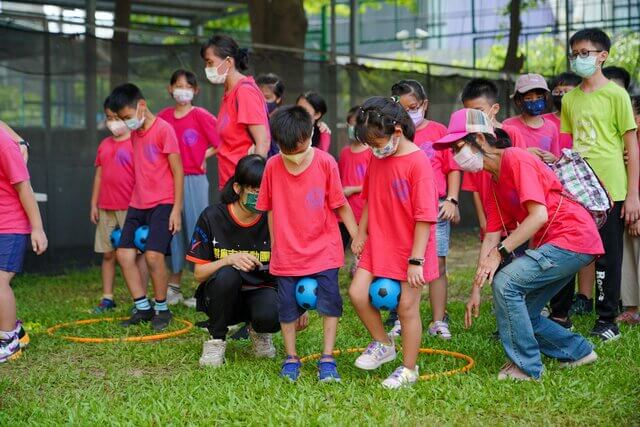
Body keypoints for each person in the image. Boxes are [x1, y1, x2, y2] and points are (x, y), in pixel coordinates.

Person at [436, 108, 602, 381]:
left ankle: (525, 367)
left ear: (479, 138)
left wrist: (500, 254)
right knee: (521, 310)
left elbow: (539, 215)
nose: (456, 157)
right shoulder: (492, 180)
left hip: (572, 237)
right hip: (557, 244)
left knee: (507, 283)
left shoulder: (515, 158)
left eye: (458, 147)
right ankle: (577, 351)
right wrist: (476, 289)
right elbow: (491, 235)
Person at [256, 105, 358, 382]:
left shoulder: (326, 162)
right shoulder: (272, 165)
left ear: (310, 135)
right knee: (287, 308)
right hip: (287, 252)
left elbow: (340, 204)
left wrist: (357, 237)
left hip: (324, 249)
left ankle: (327, 358)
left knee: (330, 305)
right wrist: (275, 245)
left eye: (299, 149)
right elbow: (270, 209)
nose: (295, 157)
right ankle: (291, 357)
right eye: (288, 151)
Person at [348, 96, 438, 389]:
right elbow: (371, 198)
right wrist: (361, 233)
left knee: (406, 309)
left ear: (397, 131)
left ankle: (409, 369)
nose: (374, 149)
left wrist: (416, 260)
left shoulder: (418, 162)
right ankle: (383, 343)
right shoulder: (378, 157)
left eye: (377, 141)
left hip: (412, 247)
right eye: (370, 144)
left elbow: (425, 216)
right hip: (380, 240)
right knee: (358, 293)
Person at [561, 28, 640, 341]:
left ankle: (607, 320)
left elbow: (631, 146)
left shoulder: (617, 95)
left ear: (603, 56)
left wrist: (633, 195)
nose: (580, 58)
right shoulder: (569, 99)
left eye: (586, 52)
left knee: (610, 256)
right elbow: (570, 145)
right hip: (578, 190)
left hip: (613, 190)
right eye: (576, 53)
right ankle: (560, 313)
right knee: (571, 250)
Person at [187, 155, 284, 367]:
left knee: (273, 313)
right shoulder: (212, 217)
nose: (260, 196)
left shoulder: (273, 218)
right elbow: (199, 274)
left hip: (259, 291)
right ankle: (216, 340)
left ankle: (259, 331)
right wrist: (228, 260)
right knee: (227, 274)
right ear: (238, 188)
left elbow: (287, 265)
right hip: (221, 295)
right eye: (253, 190)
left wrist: (297, 306)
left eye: (264, 189)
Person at [109, 83, 184, 332]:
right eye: (121, 119)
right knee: (124, 254)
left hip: (163, 203)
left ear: (142, 106)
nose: (125, 123)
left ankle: (162, 309)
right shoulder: (135, 133)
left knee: (153, 256)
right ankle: (143, 307)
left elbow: (177, 171)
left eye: (127, 117)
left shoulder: (164, 130)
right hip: (137, 202)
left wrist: (176, 209)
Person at [390, 79, 459, 340]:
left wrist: (452, 200)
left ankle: (438, 320)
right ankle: (402, 317)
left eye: (414, 107)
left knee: (437, 264)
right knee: (401, 264)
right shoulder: (393, 134)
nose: (409, 113)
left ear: (425, 105)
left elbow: (452, 168)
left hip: (435, 209)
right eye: (403, 109)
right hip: (402, 211)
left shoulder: (440, 131)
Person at [158, 69, 220, 306]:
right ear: (170, 89)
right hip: (169, 181)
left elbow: (221, 142)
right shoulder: (163, 117)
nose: (181, 90)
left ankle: (202, 289)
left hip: (194, 179)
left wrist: (204, 154)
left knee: (198, 230)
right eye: (177, 85)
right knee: (173, 230)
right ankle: (173, 287)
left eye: (187, 86)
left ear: (195, 90)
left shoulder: (202, 116)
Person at [90, 97, 148, 313]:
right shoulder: (104, 145)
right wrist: (93, 204)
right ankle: (107, 298)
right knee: (108, 254)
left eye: (117, 118)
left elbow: (142, 176)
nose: (113, 122)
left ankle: (141, 299)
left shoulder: (136, 142)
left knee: (136, 254)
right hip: (106, 208)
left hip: (130, 208)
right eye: (109, 118)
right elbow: (99, 176)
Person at [0, 126, 48, 363]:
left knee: (0, 281)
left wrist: (37, 228)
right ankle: (16, 330)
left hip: (10, 226)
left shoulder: (4, 144)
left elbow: (24, 187)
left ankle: (9, 340)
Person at [460, 78, 527, 240]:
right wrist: (483, 221)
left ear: (495, 108)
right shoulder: (470, 139)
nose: (474, 117)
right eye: (470, 113)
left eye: (479, 111)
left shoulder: (512, 133)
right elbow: (474, 187)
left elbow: (522, 176)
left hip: (515, 219)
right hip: (491, 221)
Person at [200, 35, 270, 190]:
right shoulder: (228, 93)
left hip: (242, 186)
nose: (207, 68)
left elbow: (263, 142)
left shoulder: (244, 92)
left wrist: (251, 187)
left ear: (229, 62)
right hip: (229, 182)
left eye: (210, 62)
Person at [618, 95, 640, 325]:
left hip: (636, 206)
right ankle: (632, 308)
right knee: (628, 258)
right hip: (627, 206)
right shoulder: (624, 145)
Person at [504, 73, 560, 163]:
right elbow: (501, 156)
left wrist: (553, 159)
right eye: (528, 98)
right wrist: (524, 152)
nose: (534, 101)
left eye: (539, 97)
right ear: (518, 101)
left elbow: (557, 158)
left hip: (544, 175)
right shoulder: (508, 125)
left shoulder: (551, 127)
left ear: (546, 98)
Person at [337, 105, 371, 251]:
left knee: (365, 246)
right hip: (344, 210)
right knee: (339, 245)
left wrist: (353, 189)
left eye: (357, 124)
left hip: (363, 210)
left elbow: (376, 184)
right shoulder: (344, 153)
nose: (353, 127)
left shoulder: (371, 152)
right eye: (350, 124)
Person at [543, 72, 582, 150]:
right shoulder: (543, 121)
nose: (562, 95)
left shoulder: (587, 121)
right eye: (557, 92)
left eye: (567, 92)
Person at [256, 73, 285, 158]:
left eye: (267, 98)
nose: (263, 101)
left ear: (278, 99)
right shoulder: (254, 118)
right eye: (259, 97)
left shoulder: (284, 120)